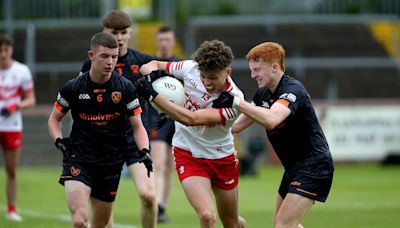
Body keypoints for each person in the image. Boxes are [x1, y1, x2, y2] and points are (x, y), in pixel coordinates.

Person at [214, 42, 334, 228]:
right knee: (285, 224)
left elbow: (272, 119)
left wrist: (237, 102)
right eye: (252, 70)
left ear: (275, 67)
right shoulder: (263, 94)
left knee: (283, 225)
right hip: (293, 168)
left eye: (257, 70)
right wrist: (197, 123)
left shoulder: (293, 90)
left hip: (314, 165)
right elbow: (236, 126)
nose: (253, 75)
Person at [136, 39, 247, 228]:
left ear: (227, 72)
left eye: (212, 77)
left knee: (231, 223)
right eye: (203, 76)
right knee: (207, 216)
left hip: (222, 157)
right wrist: (152, 76)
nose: (206, 82)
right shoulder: (190, 68)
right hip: (188, 154)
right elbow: (151, 65)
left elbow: (191, 119)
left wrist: (154, 95)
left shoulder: (235, 100)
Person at [48, 32, 152, 228]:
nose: (110, 62)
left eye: (114, 57)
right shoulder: (73, 88)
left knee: (100, 225)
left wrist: (144, 152)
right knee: (79, 221)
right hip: (79, 157)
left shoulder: (125, 88)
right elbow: (54, 119)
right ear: (91, 55)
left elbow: (138, 126)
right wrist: (58, 140)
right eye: (104, 56)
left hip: (111, 162)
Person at [80, 10, 157, 228]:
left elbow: (162, 91)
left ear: (130, 33)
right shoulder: (90, 66)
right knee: (104, 209)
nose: (120, 37)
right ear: (105, 32)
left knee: (149, 195)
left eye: (124, 32)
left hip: (135, 140)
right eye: (115, 32)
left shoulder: (142, 62)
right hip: (102, 142)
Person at [0, 34, 36, 222]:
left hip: (12, 125)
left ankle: (11, 209)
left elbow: (31, 99)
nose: (3, 54)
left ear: (11, 50)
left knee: (11, 169)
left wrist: (15, 106)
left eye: (6, 49)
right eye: (0, 49)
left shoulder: (22, 71)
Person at [149, 25, 180, 223]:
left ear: (173, 41)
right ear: (156, 42)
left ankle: (162, 206)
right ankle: (156, 204)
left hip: (176, 119)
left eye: (168, 39)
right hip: (155, 119)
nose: (164, 43)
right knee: (158, 163)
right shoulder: (150, 64)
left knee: (169, 166)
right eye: (161, 39)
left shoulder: (180, 65)